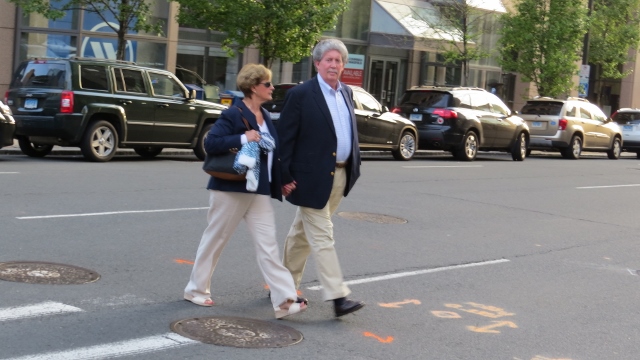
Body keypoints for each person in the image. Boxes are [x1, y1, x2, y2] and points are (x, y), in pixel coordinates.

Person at [184, 64, 307, 319]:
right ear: (253, 87)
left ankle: (285, 301)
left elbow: (274, 155)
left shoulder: (265, 115)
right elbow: (212, 142)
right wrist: (244, 138)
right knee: (215, 239)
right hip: (231, 187)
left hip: (258, 190)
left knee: (268, 246)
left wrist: (282, 180)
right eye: (268, 84)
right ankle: (196, 290)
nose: (272, 88)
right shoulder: (233, 113)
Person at [277, 39, 365, 317]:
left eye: (338, 60)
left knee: (303, 233)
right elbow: (285, 138)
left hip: (340, 174)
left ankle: (283, 285)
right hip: (308, 178)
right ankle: (338, 296)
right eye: (328, 60)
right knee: (323, 235)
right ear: (317, 63)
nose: (334, 65)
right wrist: (283, 174)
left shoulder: (347, 92)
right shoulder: (302, 94)